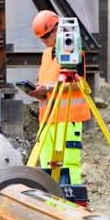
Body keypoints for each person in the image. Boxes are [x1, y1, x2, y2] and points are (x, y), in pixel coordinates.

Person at [26, 10, 90, 192]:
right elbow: (48, 82)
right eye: (41, 38)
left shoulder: (73, 51)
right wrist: (39, 91)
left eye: (47, 36)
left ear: (57, 30)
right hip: (47, 120)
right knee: (48, 167)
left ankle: (74, 203)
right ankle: (53, 204)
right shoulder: (46, 54)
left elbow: (80, 83)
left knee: (68, 165)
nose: (44, 40)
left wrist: (49, 87)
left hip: (68, 119)